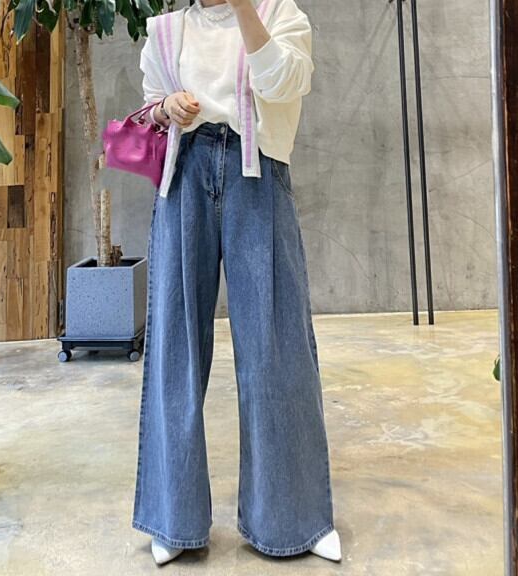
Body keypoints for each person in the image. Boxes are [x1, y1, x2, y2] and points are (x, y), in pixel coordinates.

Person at [131, 0, 342, 565]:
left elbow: (284, 83)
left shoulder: (280, 14)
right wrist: (165, 108)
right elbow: (150, 107)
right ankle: (171, 518)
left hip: (259, 176)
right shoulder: (166, 28)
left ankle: (294, 517)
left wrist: (246, 7)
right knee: (176, 345)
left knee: (277, 346)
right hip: (184, 178)